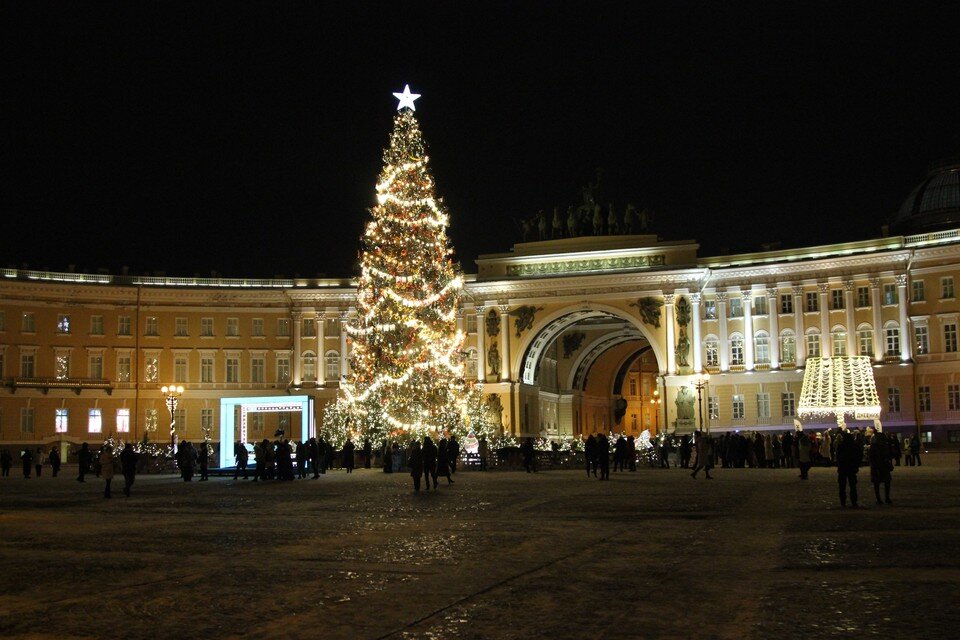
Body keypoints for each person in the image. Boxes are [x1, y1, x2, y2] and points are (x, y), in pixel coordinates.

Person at [835, 430, 861, 508]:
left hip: (843, 468)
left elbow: (838, 457)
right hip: (852, 468)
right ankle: (854, 501)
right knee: (853, 486)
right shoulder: (854, 446)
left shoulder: (841, 446)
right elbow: (858, 456)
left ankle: (843, 502)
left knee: (842, 487)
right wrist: (856, 465)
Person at [869, 432, 893, 505]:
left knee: (877, 483)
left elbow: (871, 457)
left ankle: (879, 498)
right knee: (887, 482)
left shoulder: (873, 446)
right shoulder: (885, 446)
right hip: (884, 465)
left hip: (876, 466)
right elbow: (889, 456)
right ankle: (887, 498)